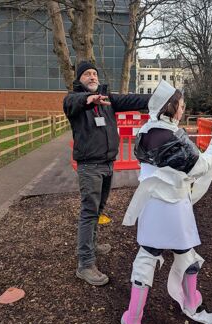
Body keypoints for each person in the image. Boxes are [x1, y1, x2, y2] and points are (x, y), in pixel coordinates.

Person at [120, 80, 212, 324]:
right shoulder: (174, 137)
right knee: (186, 253)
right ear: (170, 107)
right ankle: (191, 302)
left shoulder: (145, 130)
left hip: (151, 205)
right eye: (181, 106)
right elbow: (201, 166)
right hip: (175, 207)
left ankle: (134, 320)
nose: (183, 110)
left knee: (147, 255)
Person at [63, 61, 150, 286]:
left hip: (108, 164)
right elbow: (73, 102)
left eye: (94, 73)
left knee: (98, 210)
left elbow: (132, 100)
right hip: (90, 167)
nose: (92, 77)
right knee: (89, 213)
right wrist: (88, 99)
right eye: (87, 74)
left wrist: (158, 98)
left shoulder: (108, 100)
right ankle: (85, 264)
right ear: (79, 79)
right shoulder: (74, 99)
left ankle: (91, 245)